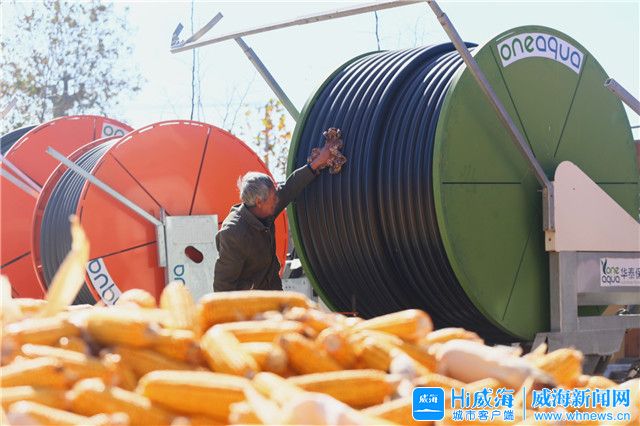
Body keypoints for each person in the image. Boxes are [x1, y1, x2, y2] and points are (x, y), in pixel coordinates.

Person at [213, 144, 333, 292]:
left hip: (273, 293)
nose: (278, 200)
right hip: (249, 301)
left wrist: (315, 164)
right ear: (259, 201)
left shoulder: (265, 208)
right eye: (273, 197)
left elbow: (289, 188)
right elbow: (222, 286)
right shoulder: (233, 233)